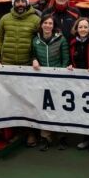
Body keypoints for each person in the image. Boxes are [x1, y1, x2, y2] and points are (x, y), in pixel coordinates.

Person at [31, 14, 70, 151]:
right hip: (42, 80)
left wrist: (58, 74)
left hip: (57, 79)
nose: (48, 26)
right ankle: (45, 137)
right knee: (44, 108)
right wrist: (34, 59)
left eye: (50, 23)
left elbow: (66, 59)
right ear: (41, 24)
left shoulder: (61, 40)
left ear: (54, 26)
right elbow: (32, 54)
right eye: (45, 23)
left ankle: (61, 137)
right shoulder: (35, 40)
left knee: (59, 107)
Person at [67, 17, 89, 153]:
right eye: (80, 27)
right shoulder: (72, 43)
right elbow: (70, 59)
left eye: (85, 27)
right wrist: (69, 66)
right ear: (76, 29)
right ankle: (86, 138)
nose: (83, 29)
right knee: (83, 110)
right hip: (79, 83)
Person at [0, 0, 41, 66]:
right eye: (17, 1)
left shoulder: (36, 20)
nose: (20, 4)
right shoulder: (4, 19)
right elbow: (0, 42)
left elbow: (40, 43)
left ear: (27, 3)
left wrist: (36, 60)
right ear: (13, 3)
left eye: (23, 1)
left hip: (27, 65)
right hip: (7, 64)